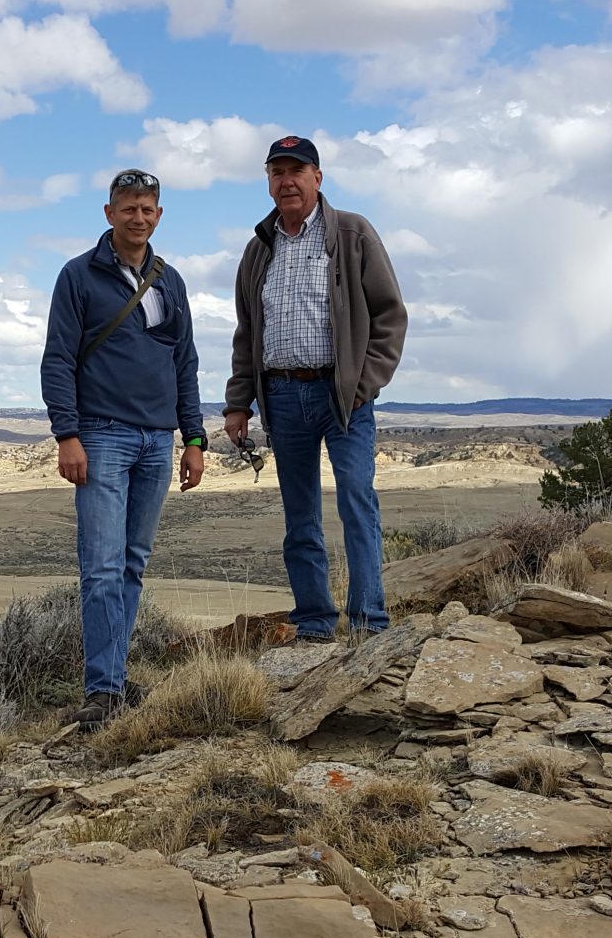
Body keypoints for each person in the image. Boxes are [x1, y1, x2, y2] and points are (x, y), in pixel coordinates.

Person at [221, 134, 408, 642]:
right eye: (276, 173)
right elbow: (247, 333)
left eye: (296, 171)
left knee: (355, 499)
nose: (286, 181)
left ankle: (369, 623)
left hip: (340, 396)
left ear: (317, 178)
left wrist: (363, 384)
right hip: (281, 396)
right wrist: (238, 402)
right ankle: (315, 622)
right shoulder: (259, 248)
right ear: (268, 182)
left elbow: (390, 316)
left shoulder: (352, 233)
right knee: (299, 516)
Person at [40, 167, 207, 730]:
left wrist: (194, 438)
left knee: (132, 566)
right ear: (108, 213)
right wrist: (68, 434)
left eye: (148, 209)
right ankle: (103, 689)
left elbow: (184, 362)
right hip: (102, 435)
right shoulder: (78, 276)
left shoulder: (169, 279)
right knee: (103, 567)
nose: (138, 217)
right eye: (128, 208)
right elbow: (58, 359)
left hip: (158, 439)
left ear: (159, 216)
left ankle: (115, 678)